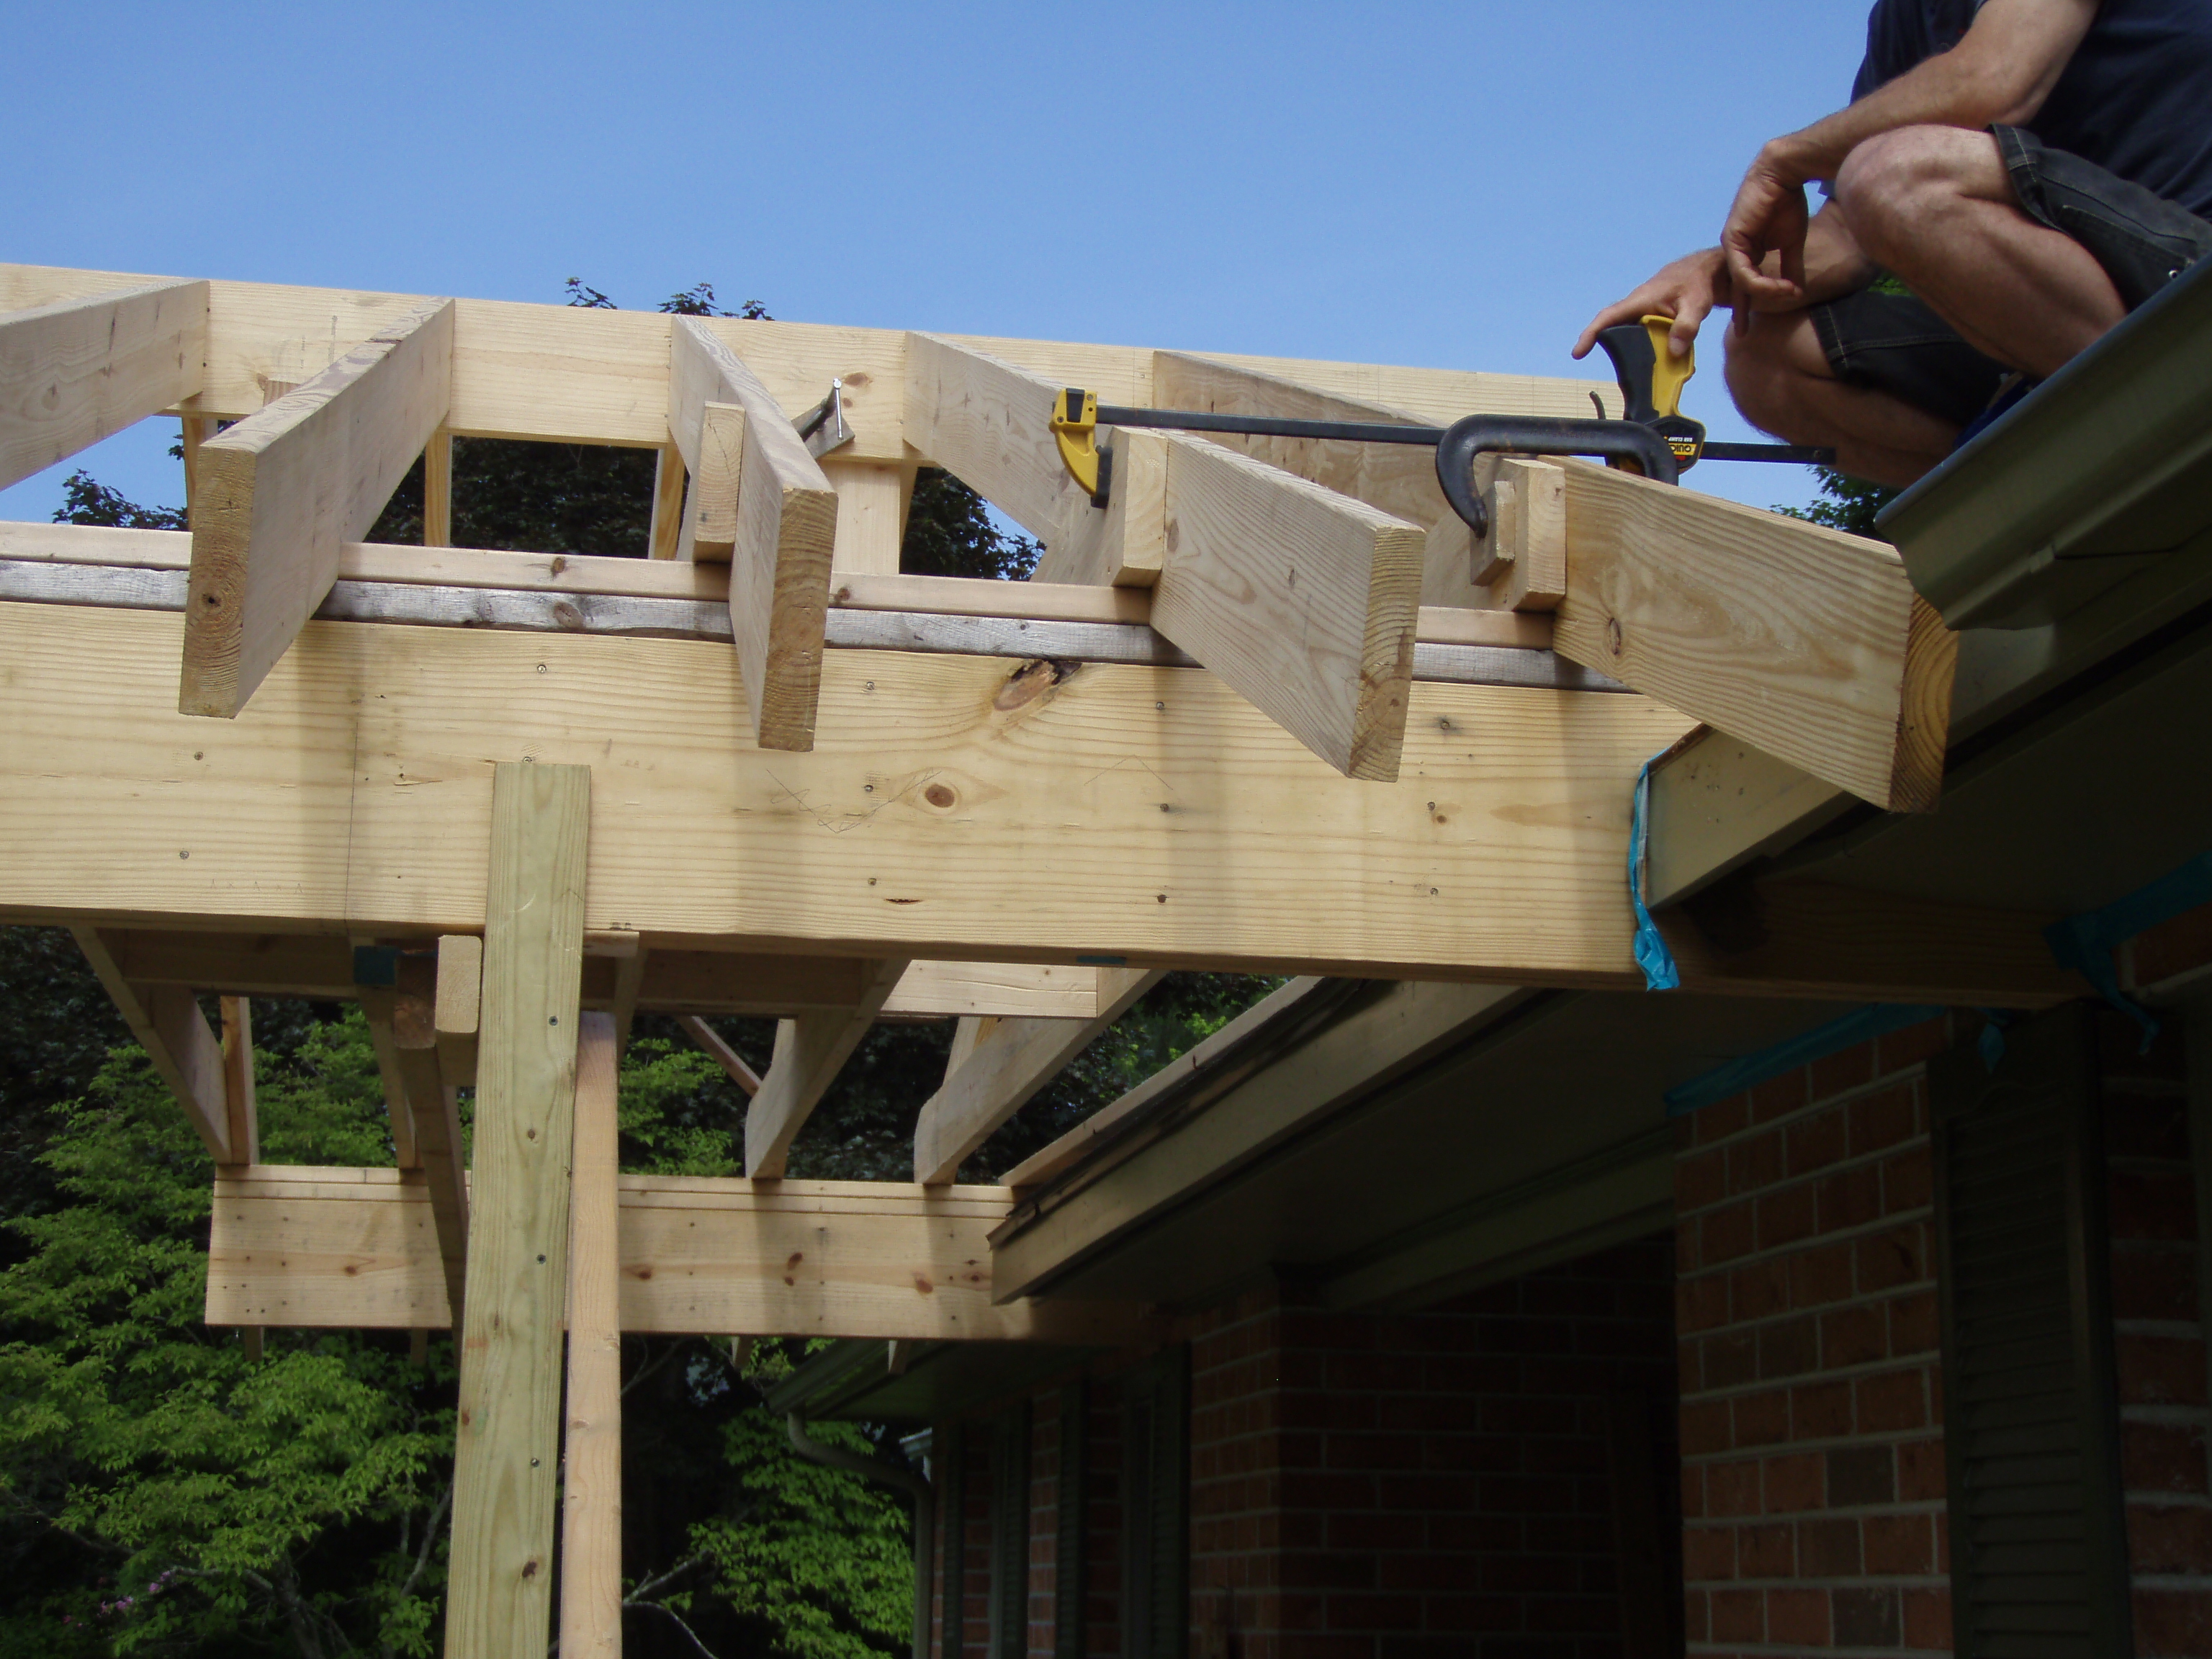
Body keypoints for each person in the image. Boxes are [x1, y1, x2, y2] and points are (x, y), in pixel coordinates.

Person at [1574, 0, 2212, 487]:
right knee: (1763, 356)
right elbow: (1849, 237)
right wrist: (1714, 272)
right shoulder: (1910, 17)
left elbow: (1995, 82)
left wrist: (1784, 159)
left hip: (2187, 275)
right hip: (2068, 311)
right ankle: (2054, 482)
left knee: (1894, 174)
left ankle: (2174, 406)